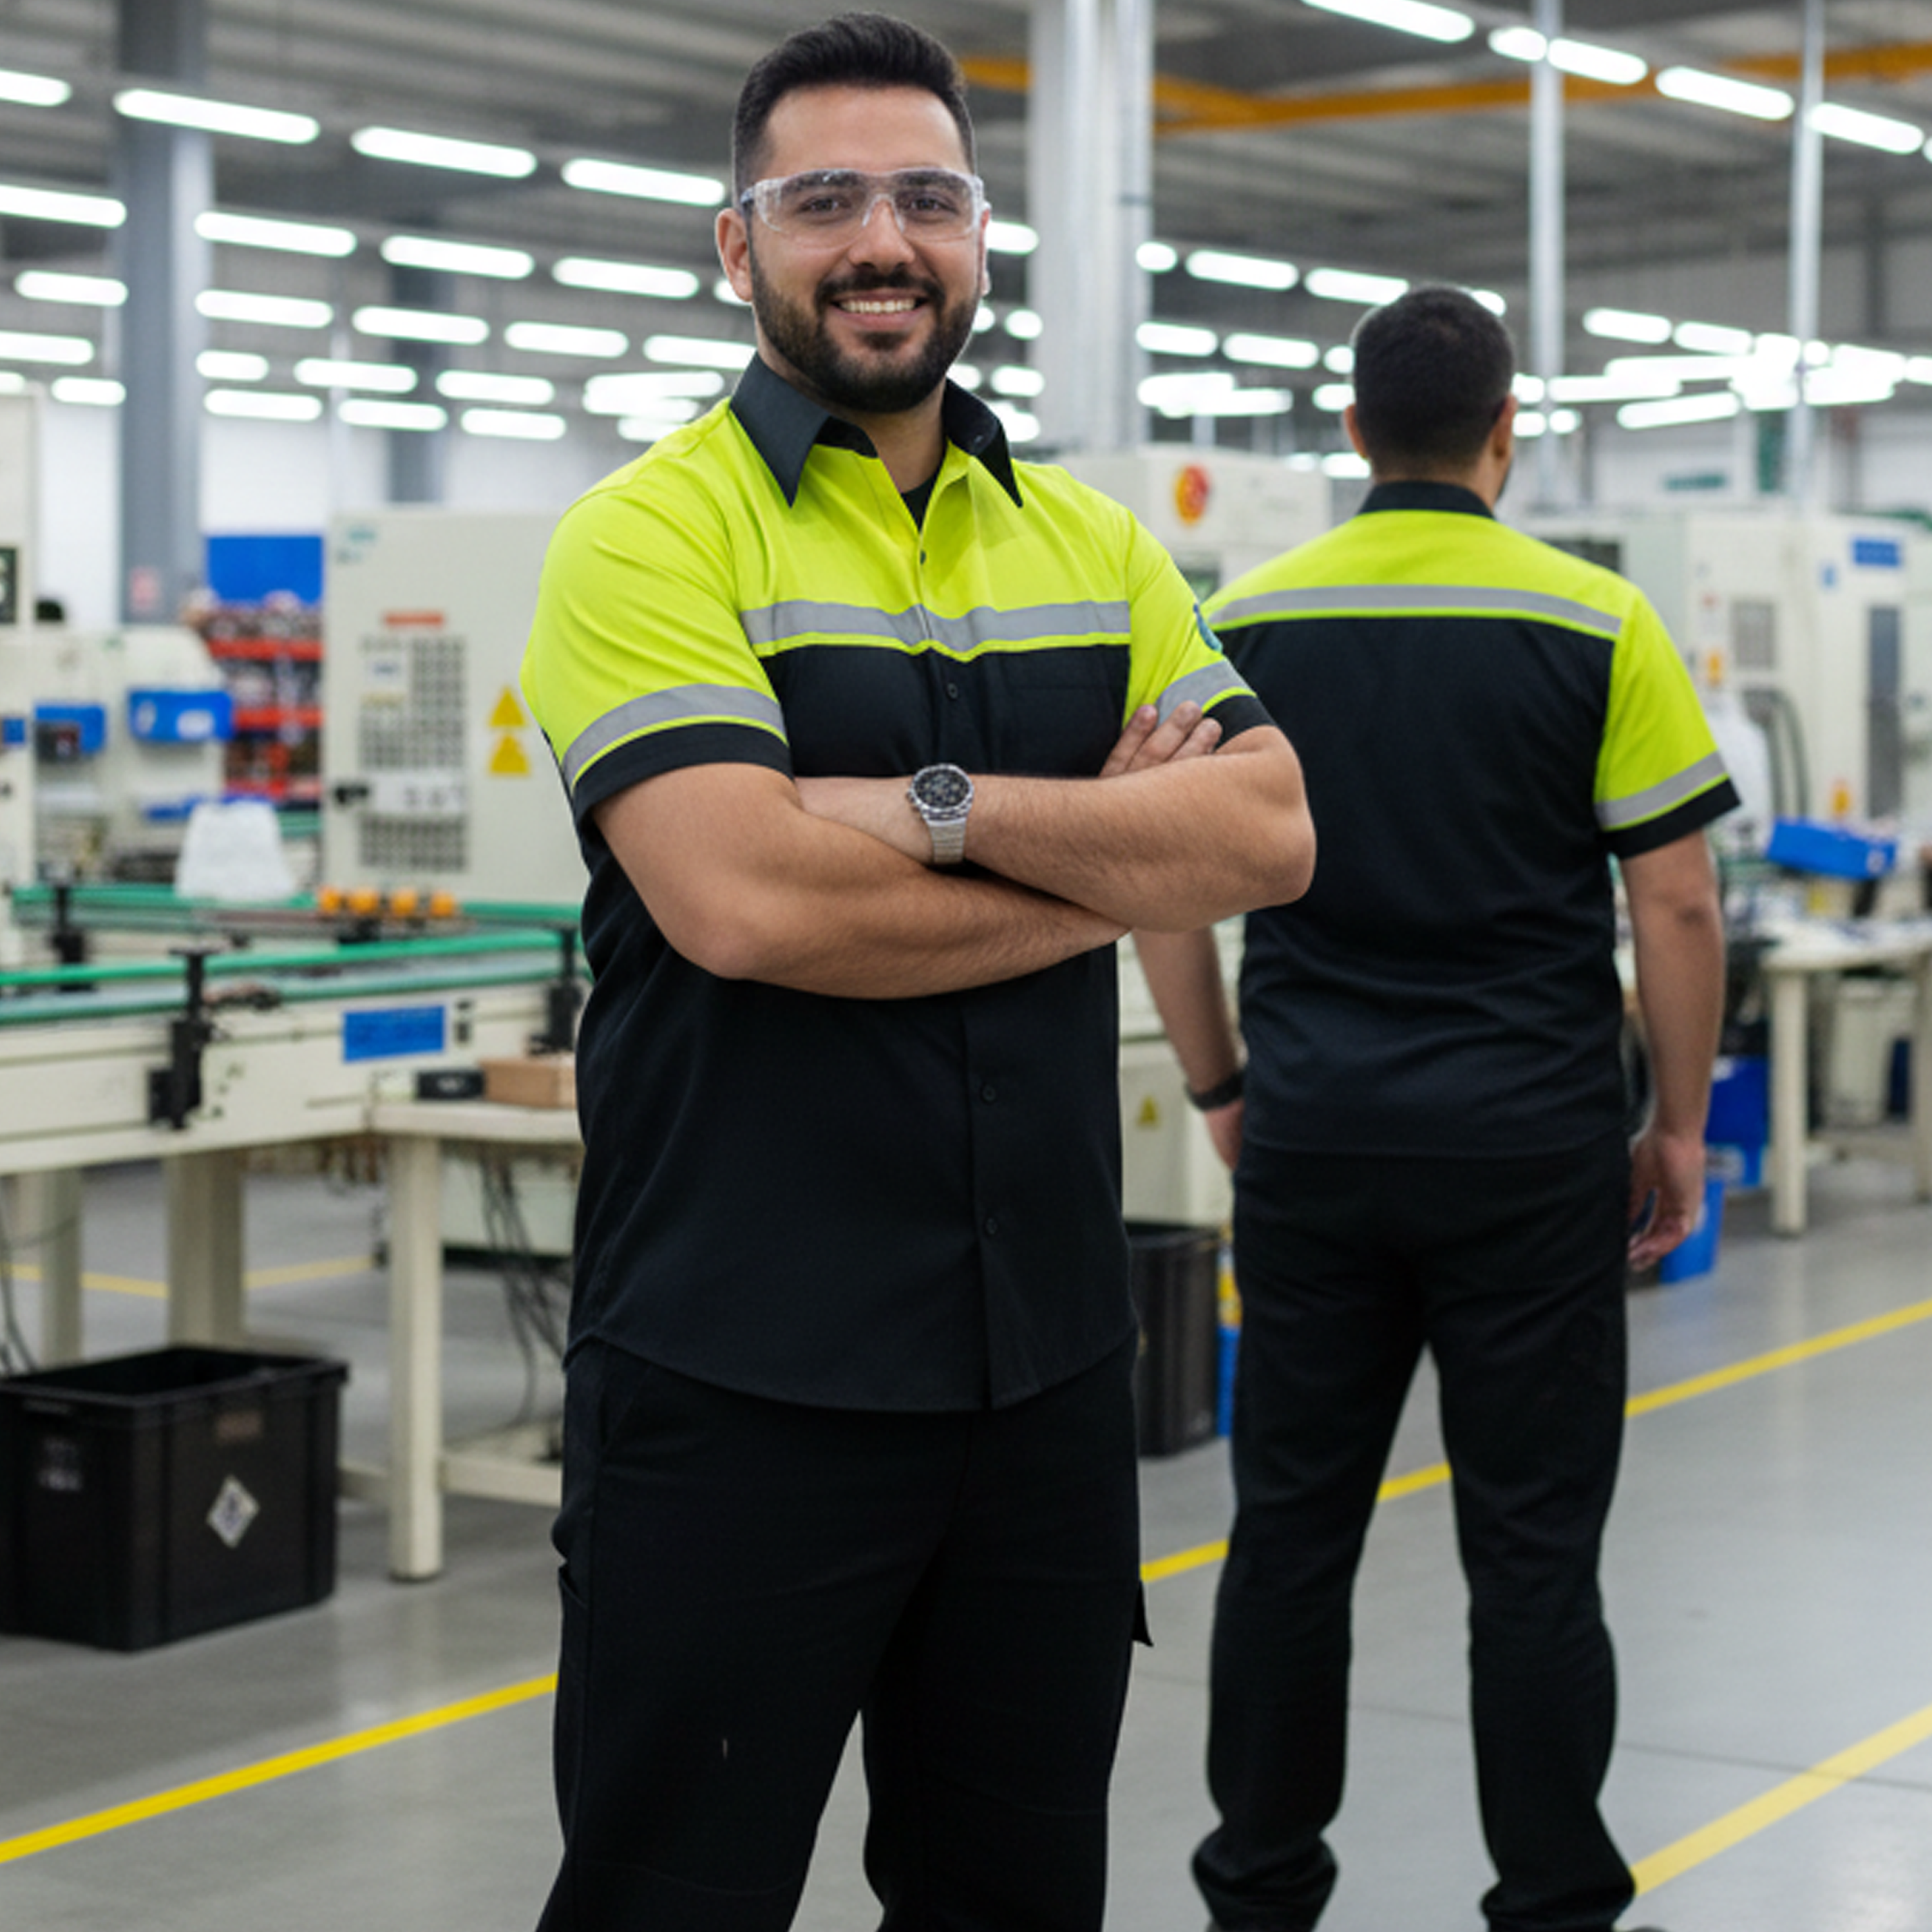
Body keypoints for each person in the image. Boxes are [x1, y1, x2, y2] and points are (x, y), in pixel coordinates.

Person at [517, 14, 1314, 1930]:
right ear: (739, 247)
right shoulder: (645, 539)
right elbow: (751, 910)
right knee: (669, 1901)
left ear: (981, 237)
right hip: (737, 1377)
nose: (885, 238)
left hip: (1038, 1374)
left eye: (930, 197)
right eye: (826, 199)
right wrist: (1111, 863)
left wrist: (920, 808)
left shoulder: (1096, 541)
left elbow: (1270, 833)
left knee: (1014, 1900)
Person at [1135, 285, 1734, 1932]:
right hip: (1535, 1158)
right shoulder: (1597, 622)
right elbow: (1675, 906)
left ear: (1349, 432)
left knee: (1288, 1541)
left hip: (1315, 1144)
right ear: (1505, 435)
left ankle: (1259, 1891)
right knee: (1532, 1556)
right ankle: (1550, 1901)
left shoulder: (1241, 623)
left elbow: (1166, 893)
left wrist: (1222, 1089)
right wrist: (1676, 1128)